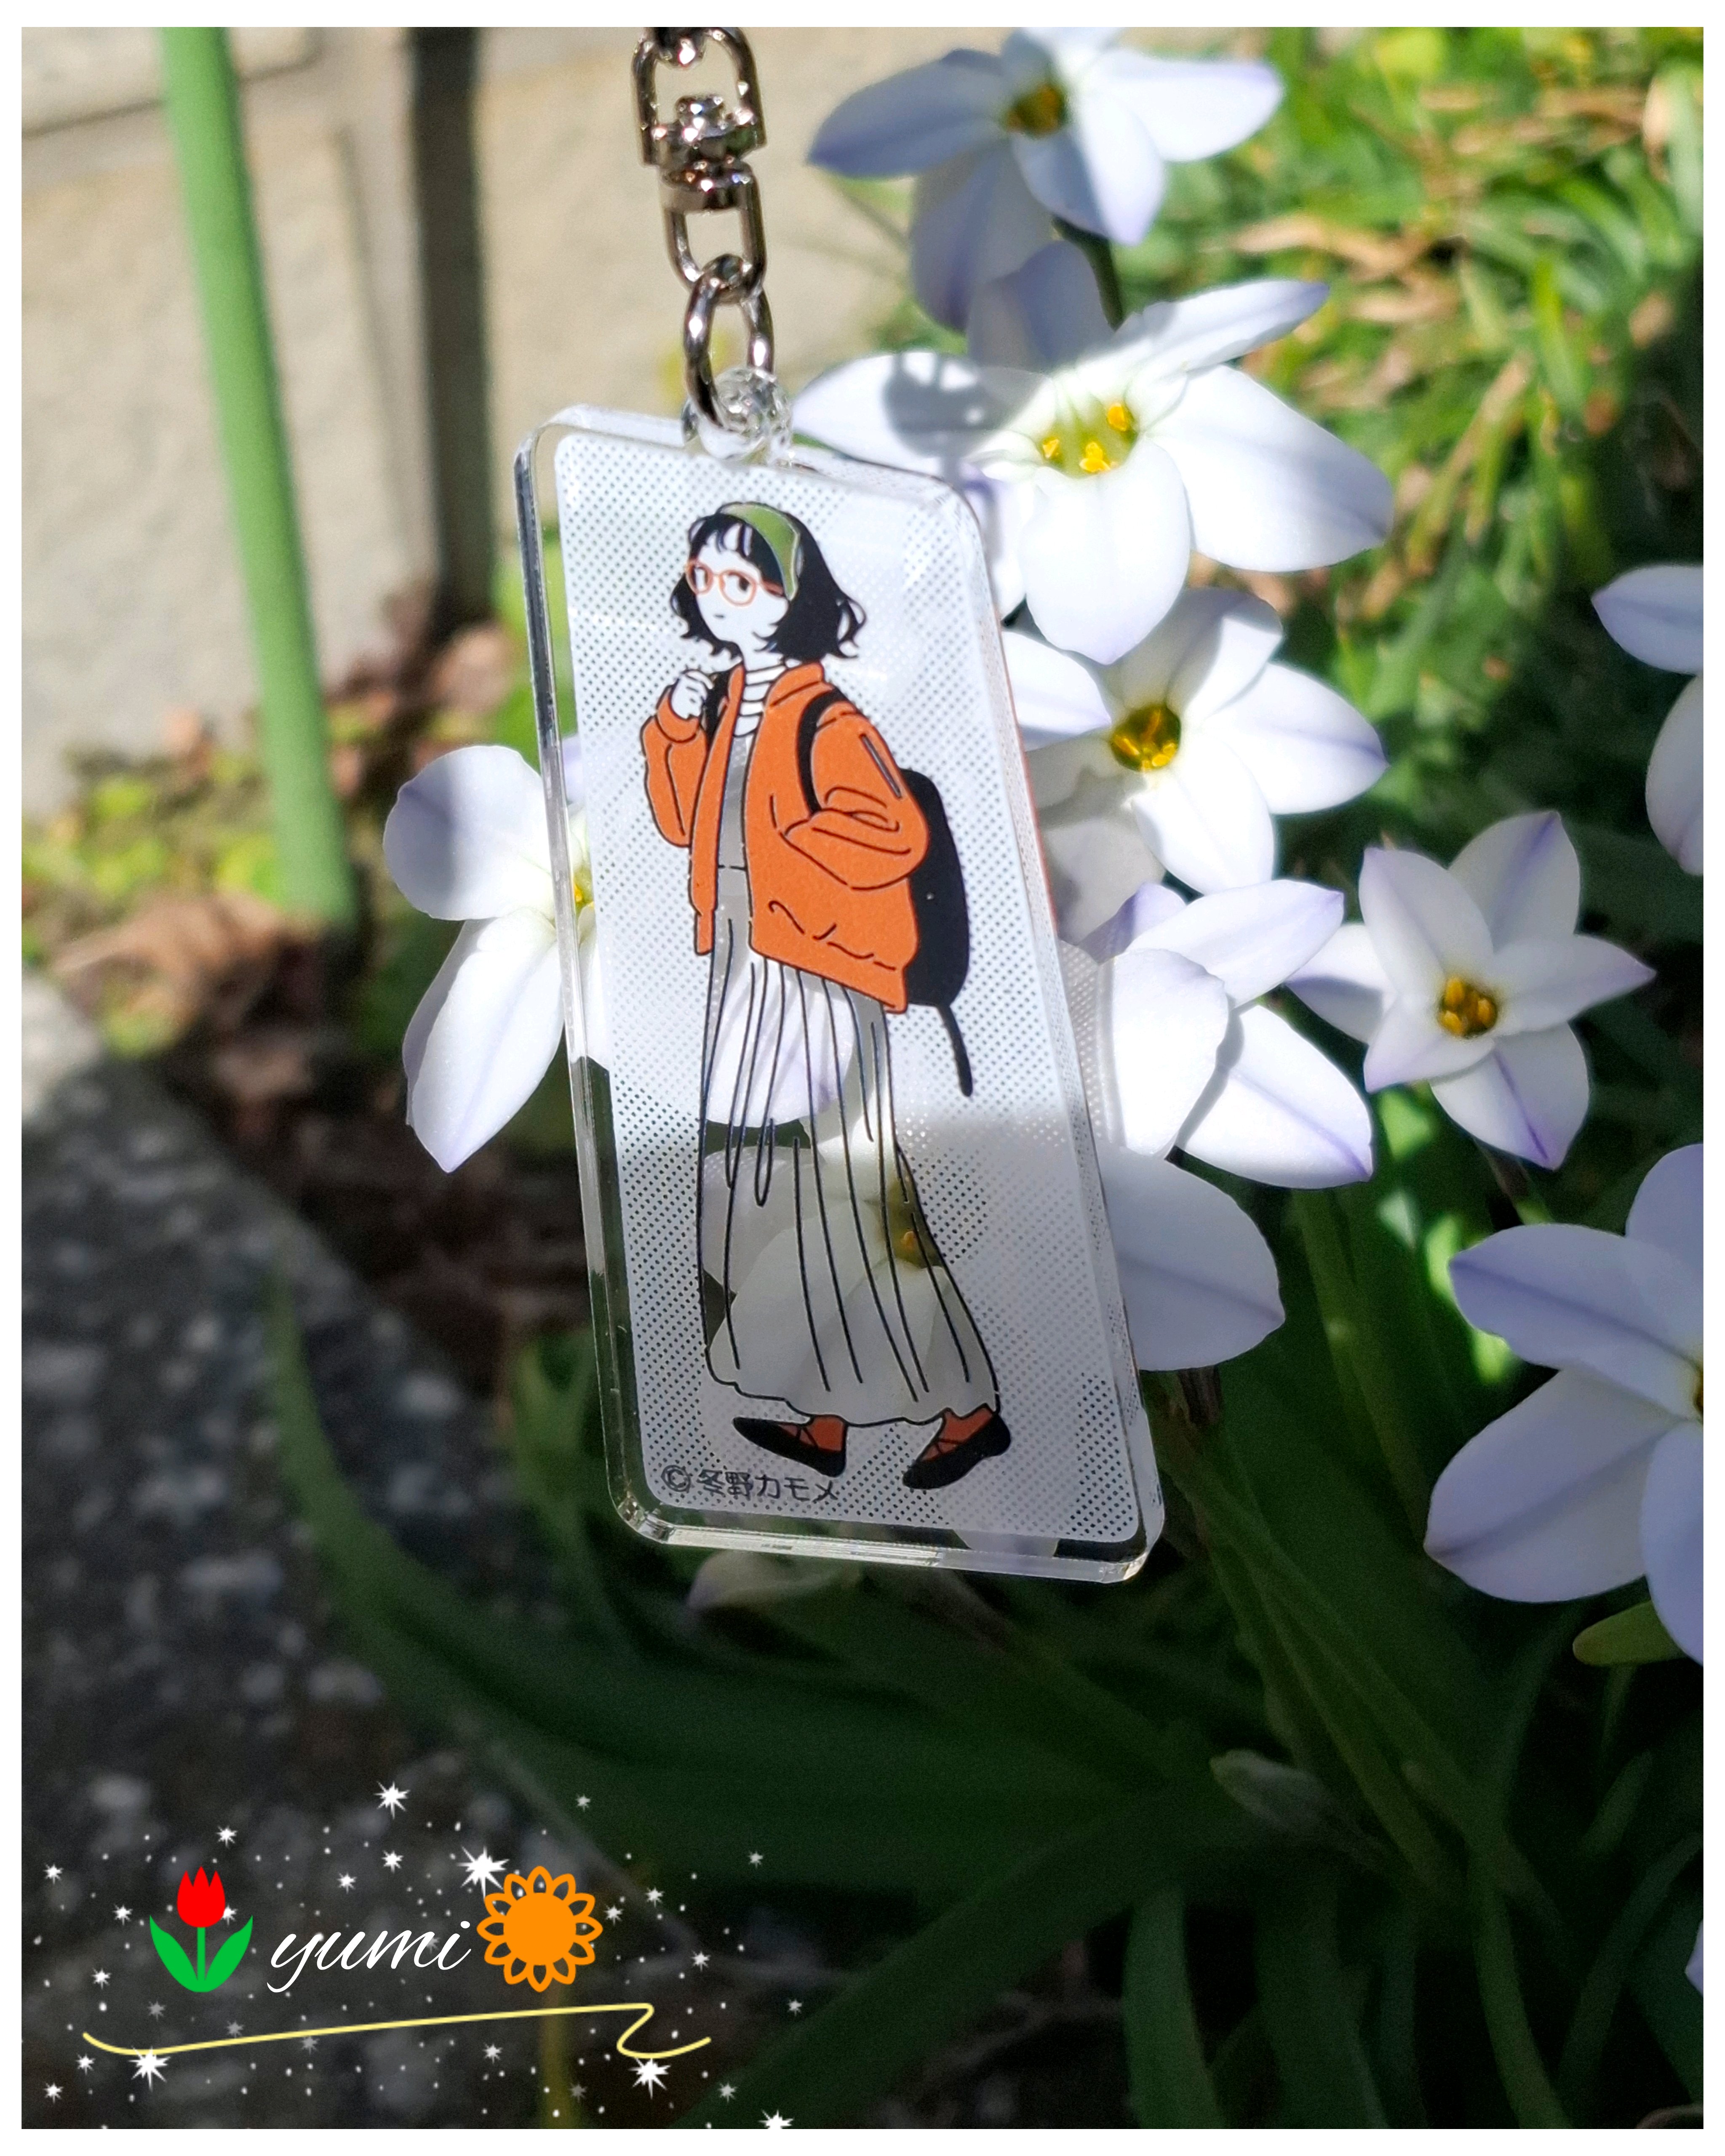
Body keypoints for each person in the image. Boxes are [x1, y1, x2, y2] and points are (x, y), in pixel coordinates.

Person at [641, 502, 1009, 1491]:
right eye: (706, 580)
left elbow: (893, 829)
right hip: (745, 958)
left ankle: (967, 1408)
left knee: (854, 1186)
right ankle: (826, 1416)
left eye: (743, 582)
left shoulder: (824, 716)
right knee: (783, 1190)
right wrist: (673, 727)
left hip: (817, 965)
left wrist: (786, 857)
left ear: (789, 596)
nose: (720, 597)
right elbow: (681, 822)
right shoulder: (728, 706)